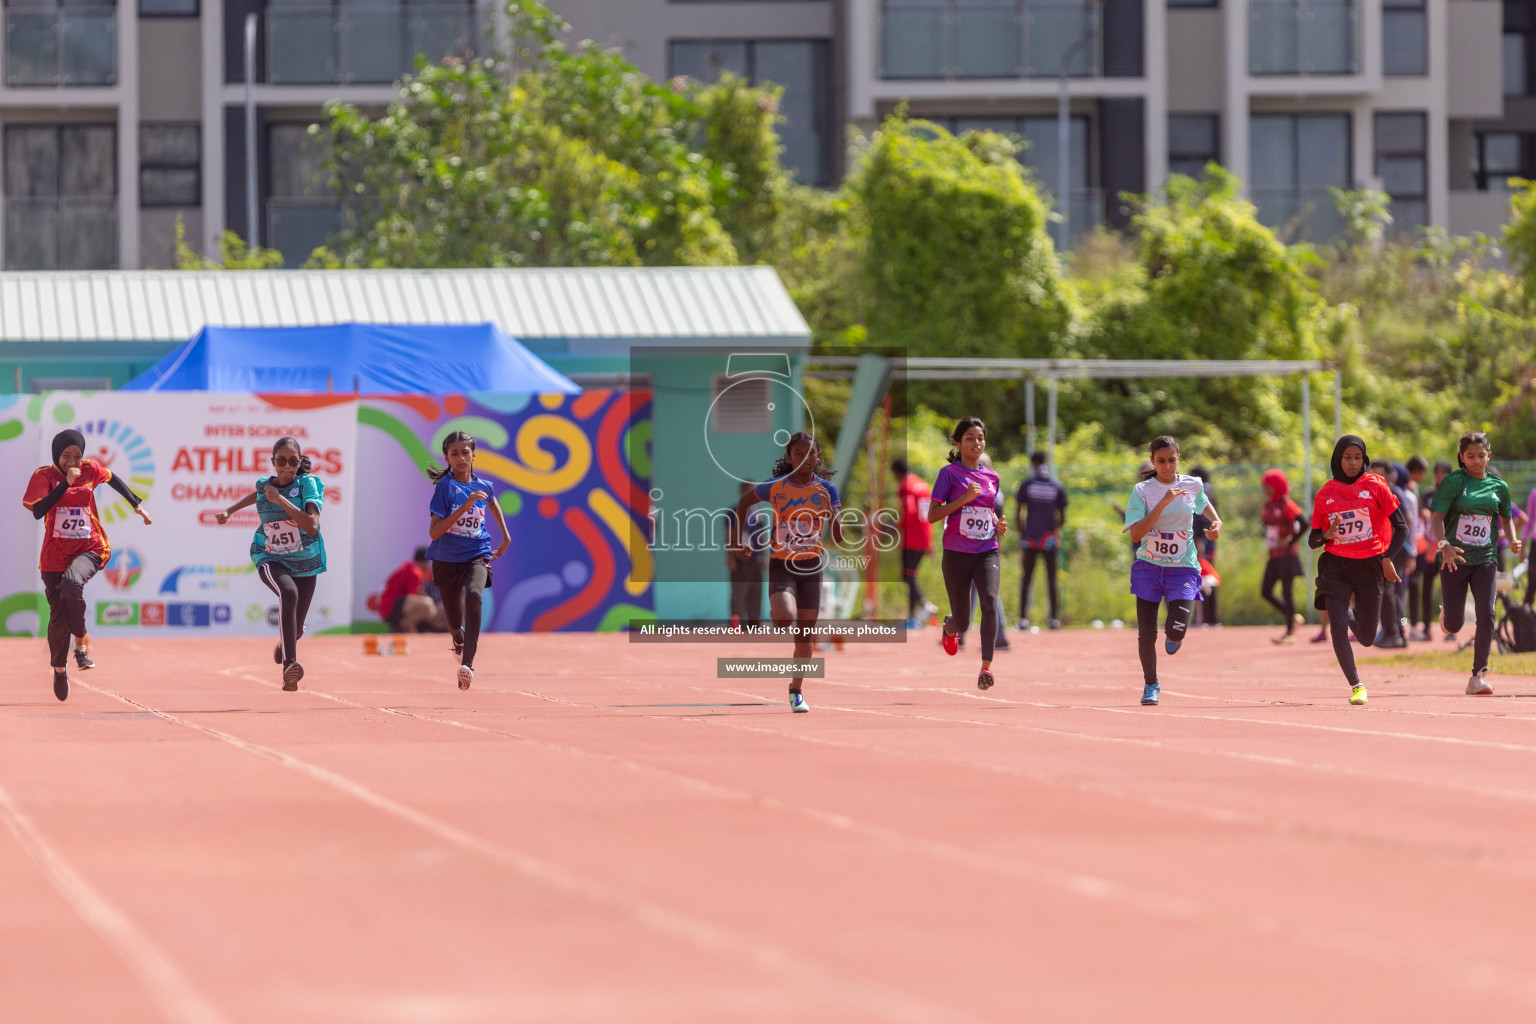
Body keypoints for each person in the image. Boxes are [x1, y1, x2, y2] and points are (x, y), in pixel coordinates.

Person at [22, 428, 152, 701]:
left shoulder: (90, 470)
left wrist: (136, 504)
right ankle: (59, 669)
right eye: (66, 455)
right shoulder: (44, 476)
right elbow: (37, 511)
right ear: (57, 455)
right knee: (58, 617)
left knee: (72, 584)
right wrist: (64, 484)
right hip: (54, 557)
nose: (72, 461)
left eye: (78, 456)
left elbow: (113, 478)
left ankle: (81, 647)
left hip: (89, 547)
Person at [730, 431, 844, 713]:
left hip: (811, 566)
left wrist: (834, 514)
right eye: (798, 453)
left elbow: (840, 538)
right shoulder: (776, 486)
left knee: (804, 638)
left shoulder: (827, 489)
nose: (805, 458)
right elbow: (745, 502)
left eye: (811, 453)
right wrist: (737, 540)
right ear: (789, 458)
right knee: (783, 619)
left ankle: (796, 690)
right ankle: (776, 611)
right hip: (782, 563)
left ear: (818, 457)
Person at [216, 437, 326, 691]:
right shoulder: (267, 486)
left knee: (296, 630)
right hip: (270, 556)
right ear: (273, 462)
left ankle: (286, 644)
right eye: (281, 461)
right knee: (288, 593)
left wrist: (281, 501)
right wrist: (229, 511)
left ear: (299, 463)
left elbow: (311, 525)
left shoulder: (307, 484)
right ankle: (290, 666)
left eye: (293, 461)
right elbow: (258, 495)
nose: (287, 466)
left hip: (306, 562)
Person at [1310, 435, 1406, 707]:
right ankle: (1356, 685)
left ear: (1364, 459)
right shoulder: (1325, 493)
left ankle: (1350, 614)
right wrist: (1327, 534)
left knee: (1365, 638)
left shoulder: (1376, 486)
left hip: (1369, 566)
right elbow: (1313, 540)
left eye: (1357, 458)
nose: (1352, 463)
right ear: (1337, 459)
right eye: (1347, 458)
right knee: (1337, 626)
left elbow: (1402, 528)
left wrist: (1388, 558)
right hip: (1336, 566)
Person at [1123, 436, 1220, 707]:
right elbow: (1136, 535)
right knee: (1146, 632)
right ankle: (1151, 684)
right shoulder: (1142, 490)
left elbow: (1204, 505)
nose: (1167, 466)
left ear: (1179, 458)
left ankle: (1175, 635)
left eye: (1172, 460)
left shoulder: (1192, 484)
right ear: (1153, 462)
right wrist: (1163, 503)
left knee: (1176, 629)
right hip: (1149, 568)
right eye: (1161, 461)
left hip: (1183, 567)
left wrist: (1217, 523)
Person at [1430, 432, 1522, 696]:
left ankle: (1477, 676)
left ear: (1488, 455)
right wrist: (1444, 545)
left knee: (1487, 613)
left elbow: (1506, 518)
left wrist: (1514, 540)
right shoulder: (1453, 483)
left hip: (1485, 558)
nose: (1476, 461)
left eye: (1481, 455)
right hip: (1454, 558)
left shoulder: (1499, 487)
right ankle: (1447, 614)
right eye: (1470, 456)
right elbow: (1436, 518)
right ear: (1462, 457)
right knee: (1455, 625)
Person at [426, 431, 510, 691]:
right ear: (447, 458)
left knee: (474, 595)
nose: (461, 457)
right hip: (446, 560)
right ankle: (457, 638)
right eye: (454, 453)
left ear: (474, 455)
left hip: (477, 553)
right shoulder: (445, 488)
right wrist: (464, 506)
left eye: (465, 452)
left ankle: (467, 665)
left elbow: (492, 502)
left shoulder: (484, 486)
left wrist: (505, 536)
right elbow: (435, 532)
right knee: (453, 621)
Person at [928, 417, 1008, 691]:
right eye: (970, 438)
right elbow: (932, 516)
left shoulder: (992, 477)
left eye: (980, 438)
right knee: (963, 621)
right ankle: (950, 627)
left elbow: (988, 510)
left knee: (988, 600)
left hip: (987, 549)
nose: (976, 443)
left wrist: (998, 523)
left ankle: (986, 667)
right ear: (958, 443)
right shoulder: (948, 475)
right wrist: (962, 499)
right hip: (956, 552)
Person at [1016, 451, 1067, 630]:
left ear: (1032, 464)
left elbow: (1017, 513)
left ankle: (1023, 619)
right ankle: (1053, 619)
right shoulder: (1056, 485)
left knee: (1026, 578)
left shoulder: (1027, 484)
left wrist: (1023, 532)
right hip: (1049, 539)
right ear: (1046, 463)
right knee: (1051, 578)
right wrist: (1054, 531)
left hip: (1030, 537)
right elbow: (1063, 516)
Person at [1259, 469, 1307, 644]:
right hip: (1273, 555)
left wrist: (1290, 540)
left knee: (1287, 592)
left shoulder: (1286, 504)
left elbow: (1304, 523)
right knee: (1266, 591)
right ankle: (1293, 617)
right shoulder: (1268, 505)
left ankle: (1289, 632)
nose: (1265, 489)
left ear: (1277, 486)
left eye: (1268, 485)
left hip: (1288, 556)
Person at [1371, 459, 1415, 649]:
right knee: (1391, 591)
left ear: (1390, 475)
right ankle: (1397, 633)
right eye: (1372, 474)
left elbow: (1408, 519)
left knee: (1386, 589)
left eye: (1380, 474)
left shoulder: (1393, 491)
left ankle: (1393, 633)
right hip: (1383, 547)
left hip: (1396, 548)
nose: (1376, 479)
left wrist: (1394, 539)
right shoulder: (1372, 493)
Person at [891, 458, 937, 628]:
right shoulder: (922, 485)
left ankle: (924, 607)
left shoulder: (905, 486)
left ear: (896, 472)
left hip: (912, 537)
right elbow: (927, 513)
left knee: (908, 575)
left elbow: (910, 511)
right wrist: (930, 541)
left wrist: (896, 526)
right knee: (911, 575)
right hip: (924, 535)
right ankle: (913, 615)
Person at [723, 481, 768, 628]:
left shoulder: (759, 514)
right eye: (746, 491)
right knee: (739, 593)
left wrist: (765, 558)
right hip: (740, 560)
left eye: (752, 491)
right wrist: (730, 558)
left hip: (756, 560)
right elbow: (729, 536)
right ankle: (736, 622)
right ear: (741, 493)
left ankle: (754, 624)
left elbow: (761, 537)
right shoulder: (733, 512)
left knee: (756, 594)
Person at [379, 546, 445, 633]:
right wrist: (434, 608)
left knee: (428, 605)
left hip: (387, 607)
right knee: (428, 606)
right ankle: (403, 626)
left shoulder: (408, 566)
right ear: (425, 561)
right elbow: (412, 596)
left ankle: (403, 628)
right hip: (391, 608)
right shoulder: (415, 572)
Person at [1405, 455, 1435, 640]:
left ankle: (1419, 626)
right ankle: (1409, 624)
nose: (1424, 476)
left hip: (1420, 544)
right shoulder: (1405, 488)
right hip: (1410, 544)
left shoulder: (1415, 489)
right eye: (1423, 473)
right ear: (1415, 471)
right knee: (1411, 586)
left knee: (1418, 585)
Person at [1189, 466, 1221, 627]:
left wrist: (1198, 540)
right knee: (1207, 580)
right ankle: (1209, 617)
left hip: (1203, 543)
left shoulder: (1203, 495)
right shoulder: (1210, 493)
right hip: (1209, 543)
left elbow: (1201, 520)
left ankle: (1204, 618)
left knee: (1203, 580)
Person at [1523, 476, 1536, 607]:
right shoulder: (1534, 494)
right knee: (1532, 583)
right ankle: (1526, 622)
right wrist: (1522, 547)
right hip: (1535, 545)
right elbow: (1529, 521)